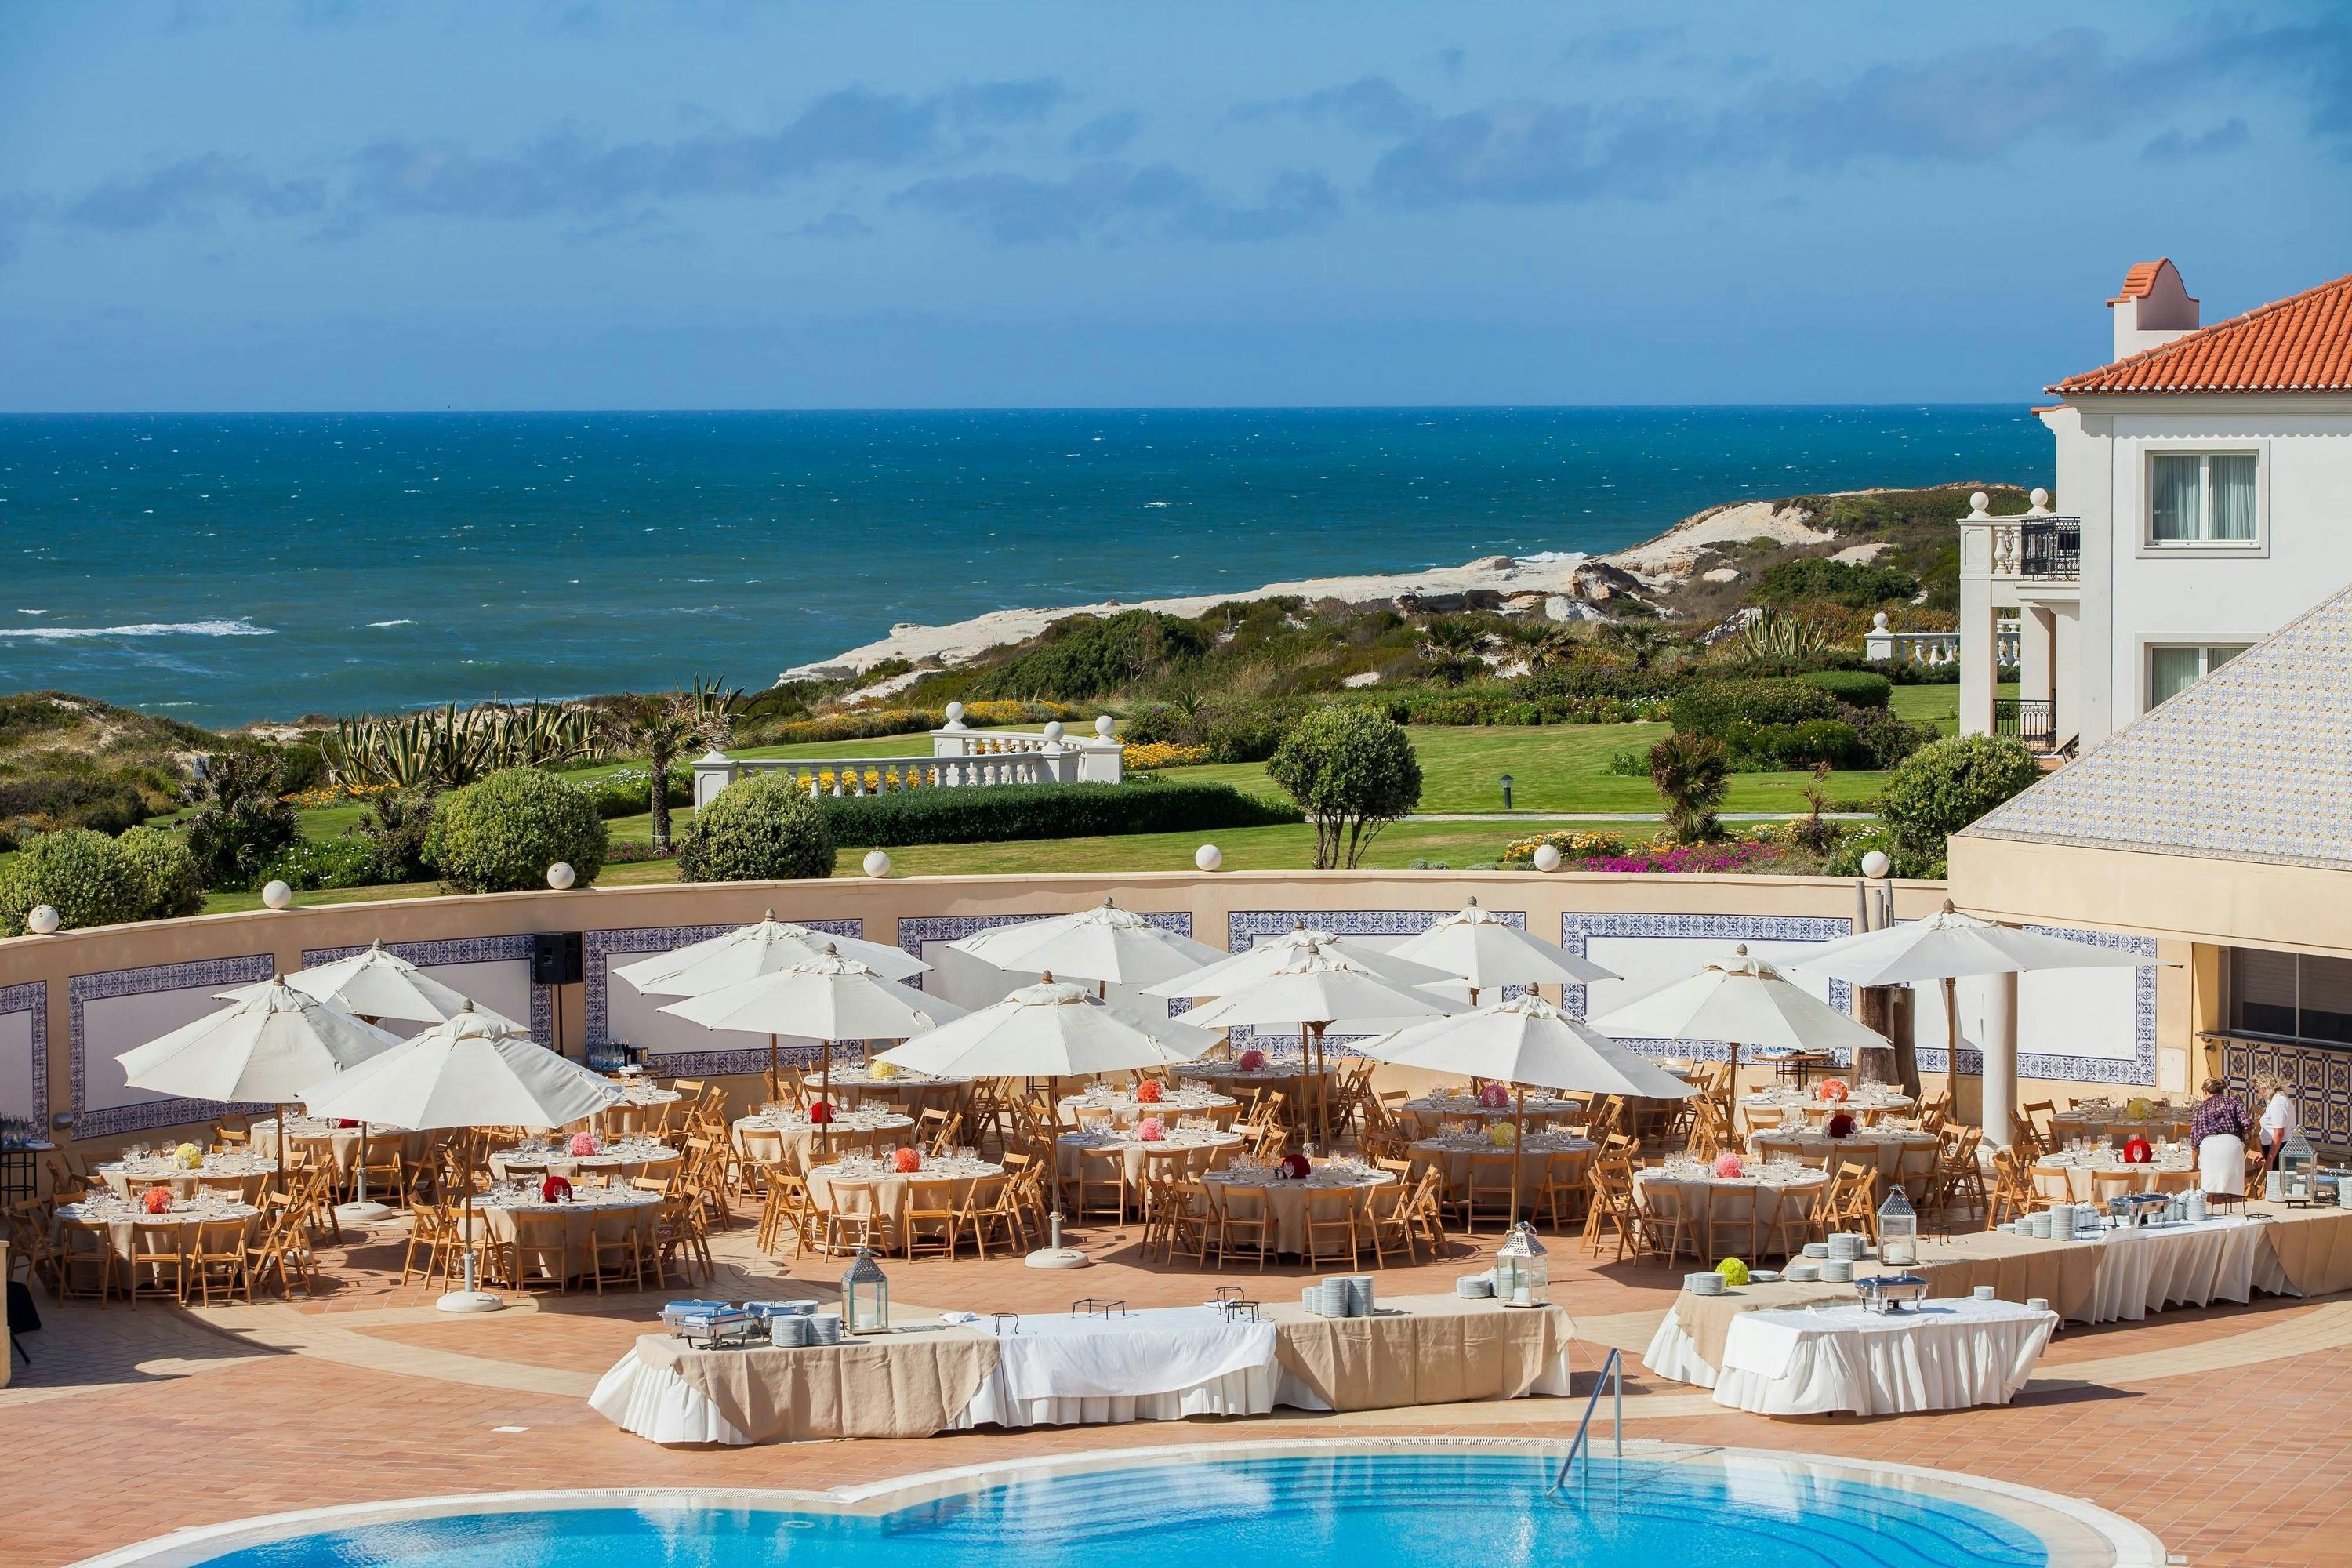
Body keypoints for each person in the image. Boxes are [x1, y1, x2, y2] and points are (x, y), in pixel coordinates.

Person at [2190, 1076, 2253, 1196]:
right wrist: (2240, 1135)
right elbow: (2247, 1124)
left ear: (2205, 1091)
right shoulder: (2232, 1103)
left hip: (2209, 1146)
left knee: (2211, 1189)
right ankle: (2237, 1213)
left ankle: (2215, 1213)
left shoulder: (2202, 1109)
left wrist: (2194, 1165)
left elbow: (2195, 1140)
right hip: (2232, 1143)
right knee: (2234, 1189)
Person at [2260, 1079, 2300, 1168]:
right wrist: (2264, 1154)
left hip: (2280, 1152)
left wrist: (2269, 1161)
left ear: (2264, 1088)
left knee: (2278, 1181)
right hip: (2278, 1151)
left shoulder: (2278, 1103)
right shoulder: (2279, 1101)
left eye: (2258, 1088)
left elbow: (2279, 1133)